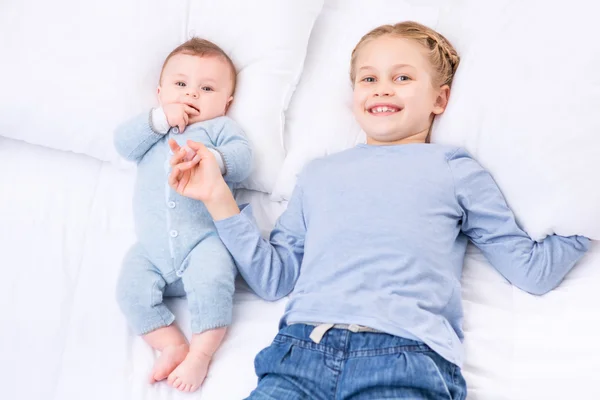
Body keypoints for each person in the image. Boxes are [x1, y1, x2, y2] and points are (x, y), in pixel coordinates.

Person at [168, 22, 589, 399]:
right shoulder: (318, 173)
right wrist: (217, 197)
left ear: (439, 99)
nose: (382, 88)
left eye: (402, 77)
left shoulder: (454, 169)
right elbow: (274, 279)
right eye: (368, 78)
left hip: (406, 358)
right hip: (299, 354)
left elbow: (531, 270)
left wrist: (584, 217)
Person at [114, 37, 252, 393]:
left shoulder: (220, 130)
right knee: (130, 290)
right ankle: (171, 343)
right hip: (152, 249)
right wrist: (158, 120)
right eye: (180, 85)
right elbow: (122, 144)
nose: (191, 95)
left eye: (206, 88)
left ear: (227, 102)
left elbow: (243, 160)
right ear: (160, 93)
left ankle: (201, 353)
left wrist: (215, 160)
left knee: (215, 280)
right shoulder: (150, 132)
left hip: (203, 241)